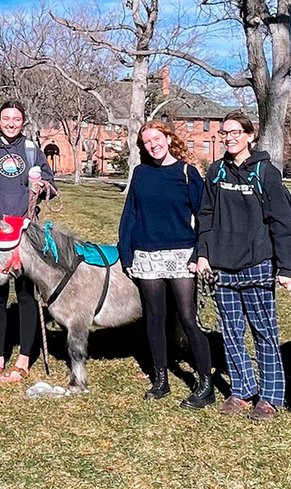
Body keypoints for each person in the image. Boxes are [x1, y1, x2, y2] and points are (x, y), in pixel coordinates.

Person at [194, 111, 291, 422]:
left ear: (250, 136)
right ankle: (240, 390)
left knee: (264, 331)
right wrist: (203, 253)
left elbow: (282, 222)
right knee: (231, 331)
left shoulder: (266, 173)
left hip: (258, 263)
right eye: (225, 133)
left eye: (235, 132)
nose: (229, 137)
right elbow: (206, 217)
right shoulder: (215, 172)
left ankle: (269, 396)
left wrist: (287, 268)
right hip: (222, 266)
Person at [118, 120, 213, 408]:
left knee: (187, 318)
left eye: (157, 139)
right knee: (154, 318)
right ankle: (161, 379)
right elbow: (130, 215)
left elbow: (204, 217)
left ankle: (205, 385)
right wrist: (127, 253)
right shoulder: (140, 174)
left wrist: (201, 254)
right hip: (146, 255)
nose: (153, 145)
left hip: (181, 254)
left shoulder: (187, 173)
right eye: (147, 142)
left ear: (168, 139)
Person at [0, 101, 55, 383]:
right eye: (6, 118)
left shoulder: (31, 150)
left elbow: (52, 185)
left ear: (23, 122)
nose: (11, 123)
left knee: (27, 294)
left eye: (16, 119)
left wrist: (43, 187)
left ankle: (23, 360)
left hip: (25, 228)